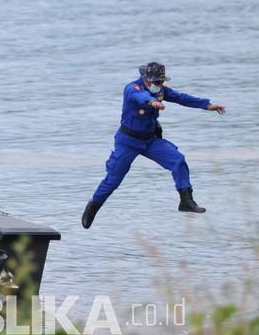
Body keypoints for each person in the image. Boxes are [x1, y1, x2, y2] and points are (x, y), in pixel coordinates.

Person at [81, 62, 226, 229]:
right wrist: (152, 102)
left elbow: (181, 97)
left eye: (161, 82)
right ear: (147, 79)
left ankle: (186, 201)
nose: (159, 85)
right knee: (113, 179)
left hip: (150, 141)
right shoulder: (132, 88)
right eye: (156, 82)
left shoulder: (161, 90)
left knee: (177, 160)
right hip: (128, 141)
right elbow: (140, 97)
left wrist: (207, 105)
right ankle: (93, 206)